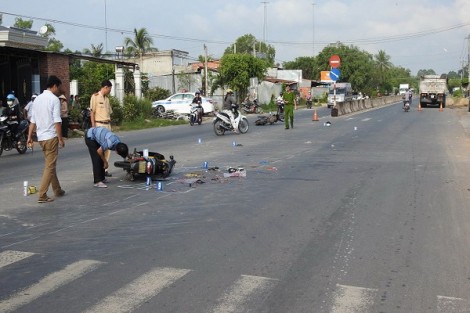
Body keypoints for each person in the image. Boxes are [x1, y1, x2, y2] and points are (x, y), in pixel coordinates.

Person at [27, 75, 66, 204]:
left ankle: (57, 189)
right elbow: (57, 121)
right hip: (51, 137)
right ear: (54, 86)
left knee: (50, 164)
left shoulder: (37, 100)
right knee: (49, 166)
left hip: (41, 138)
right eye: (59, 87)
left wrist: (29, 137)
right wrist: (60, 138)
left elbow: (32, 120)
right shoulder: (54, 100)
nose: (60, 89)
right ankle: (42, 195)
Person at [90, 80, 113, 177]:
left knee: (108, 148)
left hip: (107, 125)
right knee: (100, 149)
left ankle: (105, 169)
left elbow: (109, 113)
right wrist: (93, 126)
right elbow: (92, 112)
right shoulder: (95, 97)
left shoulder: (107, 99)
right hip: (99, 125)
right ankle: (98, 170)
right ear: (105, 87)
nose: (110, 91)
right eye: (110, 89)